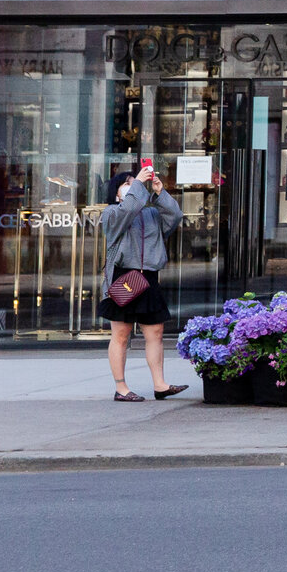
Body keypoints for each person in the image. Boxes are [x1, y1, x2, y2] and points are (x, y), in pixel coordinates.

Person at [100, 162, 185, 402]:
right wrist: (138, 182)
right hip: (124, 277)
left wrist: (159, 191)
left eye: (133, 183)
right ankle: (121, 387)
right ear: (116, 192)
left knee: (155, 331)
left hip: (148, 276)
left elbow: (175, 216)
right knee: (121, 334)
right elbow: (128, 210)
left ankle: (160, 384)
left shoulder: (151, 213)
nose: (132, 186)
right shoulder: (112, 213)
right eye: (126, 184)